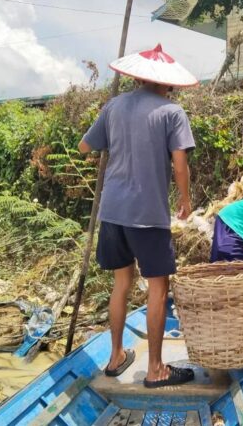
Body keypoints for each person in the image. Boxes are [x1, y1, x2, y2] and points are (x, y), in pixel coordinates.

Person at [78, 44, 197, 388]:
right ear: (168, 84)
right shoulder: (172, 112)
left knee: (122, 282)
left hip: (112, 211)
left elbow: (85, 147)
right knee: (158, 288)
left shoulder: (114, 106)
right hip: (147, 214)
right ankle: (157, 369)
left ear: (137, 77)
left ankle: (116, 356)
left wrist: (114, 140)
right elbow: (179, 164)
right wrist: (186, 200)